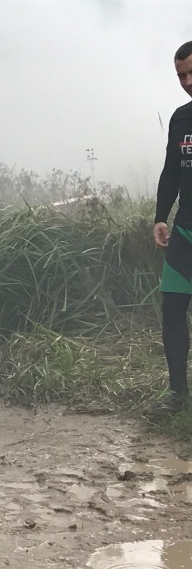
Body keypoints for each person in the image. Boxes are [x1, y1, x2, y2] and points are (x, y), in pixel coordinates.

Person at [153, 40, 192, 414]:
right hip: (185, 233)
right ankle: (177, 394)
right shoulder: (181, 118)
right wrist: (160, 217)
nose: (188, 81)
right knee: (172, 309)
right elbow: (171, 173)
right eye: (181, 75)